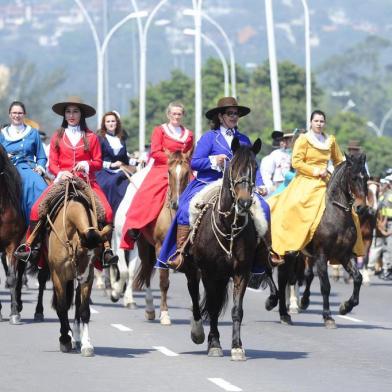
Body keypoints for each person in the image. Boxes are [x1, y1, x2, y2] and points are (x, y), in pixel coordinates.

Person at [156, 96, 272, 271]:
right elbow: (194, 162)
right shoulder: (209, 138)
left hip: (239, 186)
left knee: (264, 207)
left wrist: (260, 184)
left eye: (236, 114)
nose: (234, 117)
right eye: (230, 113)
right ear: (220, 117)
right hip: (209, 182)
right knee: (186, 207)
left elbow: (251, 165)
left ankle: (265, 254)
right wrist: (213, 160)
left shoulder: (245, 139)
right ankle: (180, 252)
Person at [15, 96, 118, 267]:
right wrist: (60, 172)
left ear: (81, 114)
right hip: (63, 181)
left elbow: (98, 163)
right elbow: (52, 163)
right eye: (68, 112)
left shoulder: (91, 136)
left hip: (86, 182)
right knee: (35, 210)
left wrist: (87, 164)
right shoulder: (57, 136)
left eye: (75, 111)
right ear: (64, 115)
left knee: (106, 212)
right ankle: (30, 246)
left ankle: (105, 250)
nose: (71, 115)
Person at [268, 110, 364, 257]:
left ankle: (349, 247)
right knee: (295, 205)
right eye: (316, 121)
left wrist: (339, 172)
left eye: (322, 121)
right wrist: (315, 171)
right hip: (306, 180)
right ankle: (293, 244)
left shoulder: (330, 140)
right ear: (311, 122)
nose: (319, 124)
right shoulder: (303, 139)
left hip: (326, 180)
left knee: (348, 208)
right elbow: (296, 162)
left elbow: (339, 161)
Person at [120, 102, 194, 250]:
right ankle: (135, 225)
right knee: (148, 192)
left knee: (196, 190)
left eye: (179, 114)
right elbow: (155, 151)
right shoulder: (160, 130)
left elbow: (190, 153)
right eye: (174, 113)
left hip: (184, 169)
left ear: (183, 115)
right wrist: (173, 161)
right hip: (162, 167)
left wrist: (184, 163)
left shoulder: (189, 134)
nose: (176, 116)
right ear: (169, 115)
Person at [0, 101, 48, 224]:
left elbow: (42, 156)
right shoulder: (2, 134)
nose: (17, 115)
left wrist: (40, 168)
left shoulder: (33, 133)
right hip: (7, 168)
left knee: (40, 186)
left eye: (20, 113)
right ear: (10, 115)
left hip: (27, 168)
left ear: (24, 114)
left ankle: (37, 224)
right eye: (14, 113)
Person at [96, 111, 132, 215]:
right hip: (103, 172)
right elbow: (96, 160)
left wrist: (137, 162)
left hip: (120, 171)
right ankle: (109, 214)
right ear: (104, 124)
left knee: (130, 182)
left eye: (113, 121)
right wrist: (111, 165)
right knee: (111, 184)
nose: (111, 123)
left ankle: (125, 214)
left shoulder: (121, 139)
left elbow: (125, 159)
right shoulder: (100, 139)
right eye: (108, 121)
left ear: (117, 123)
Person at [261, 130, 294, 195]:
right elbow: (266, 172)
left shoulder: (297, 153)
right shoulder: (275, 154)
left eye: (290, 140)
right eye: (283, 140)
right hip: (280, 186)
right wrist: (270, 186)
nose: (284, 142)